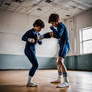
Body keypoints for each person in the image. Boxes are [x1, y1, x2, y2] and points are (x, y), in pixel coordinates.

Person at [40, 13, 70, 88]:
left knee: (60, 62)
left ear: (57, 21)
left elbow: (58, 35)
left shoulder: (61, 25)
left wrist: (53, 29)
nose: (52, 25)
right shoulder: (58, 27)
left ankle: (66, 81)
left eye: (53, 23)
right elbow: (52, 34)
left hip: (64, 45)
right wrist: (42, 37)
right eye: (51, 23)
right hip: (62, 45)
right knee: (57, 62)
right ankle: (59, 79)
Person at [22, 19, 44, 87]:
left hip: (33, 50)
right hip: (28, 50)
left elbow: (40, 43)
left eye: (41, 29)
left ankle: (29, 82)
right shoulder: (30, 31)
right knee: (35, 65)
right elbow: (23, 38)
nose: (40, 30)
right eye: (39, 28)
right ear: (35, 25)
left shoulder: (39, 34)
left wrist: (38, 39)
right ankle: (29, 82)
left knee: (35, 65)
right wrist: (29, 39)